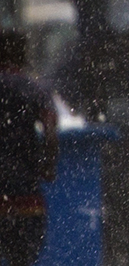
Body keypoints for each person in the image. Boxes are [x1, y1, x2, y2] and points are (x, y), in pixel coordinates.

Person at [0, 30, 58, 266]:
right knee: (23, 258)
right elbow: (50, 131)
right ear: (23, 56)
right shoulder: (34, 89)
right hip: (27, 192)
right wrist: (48, 165)